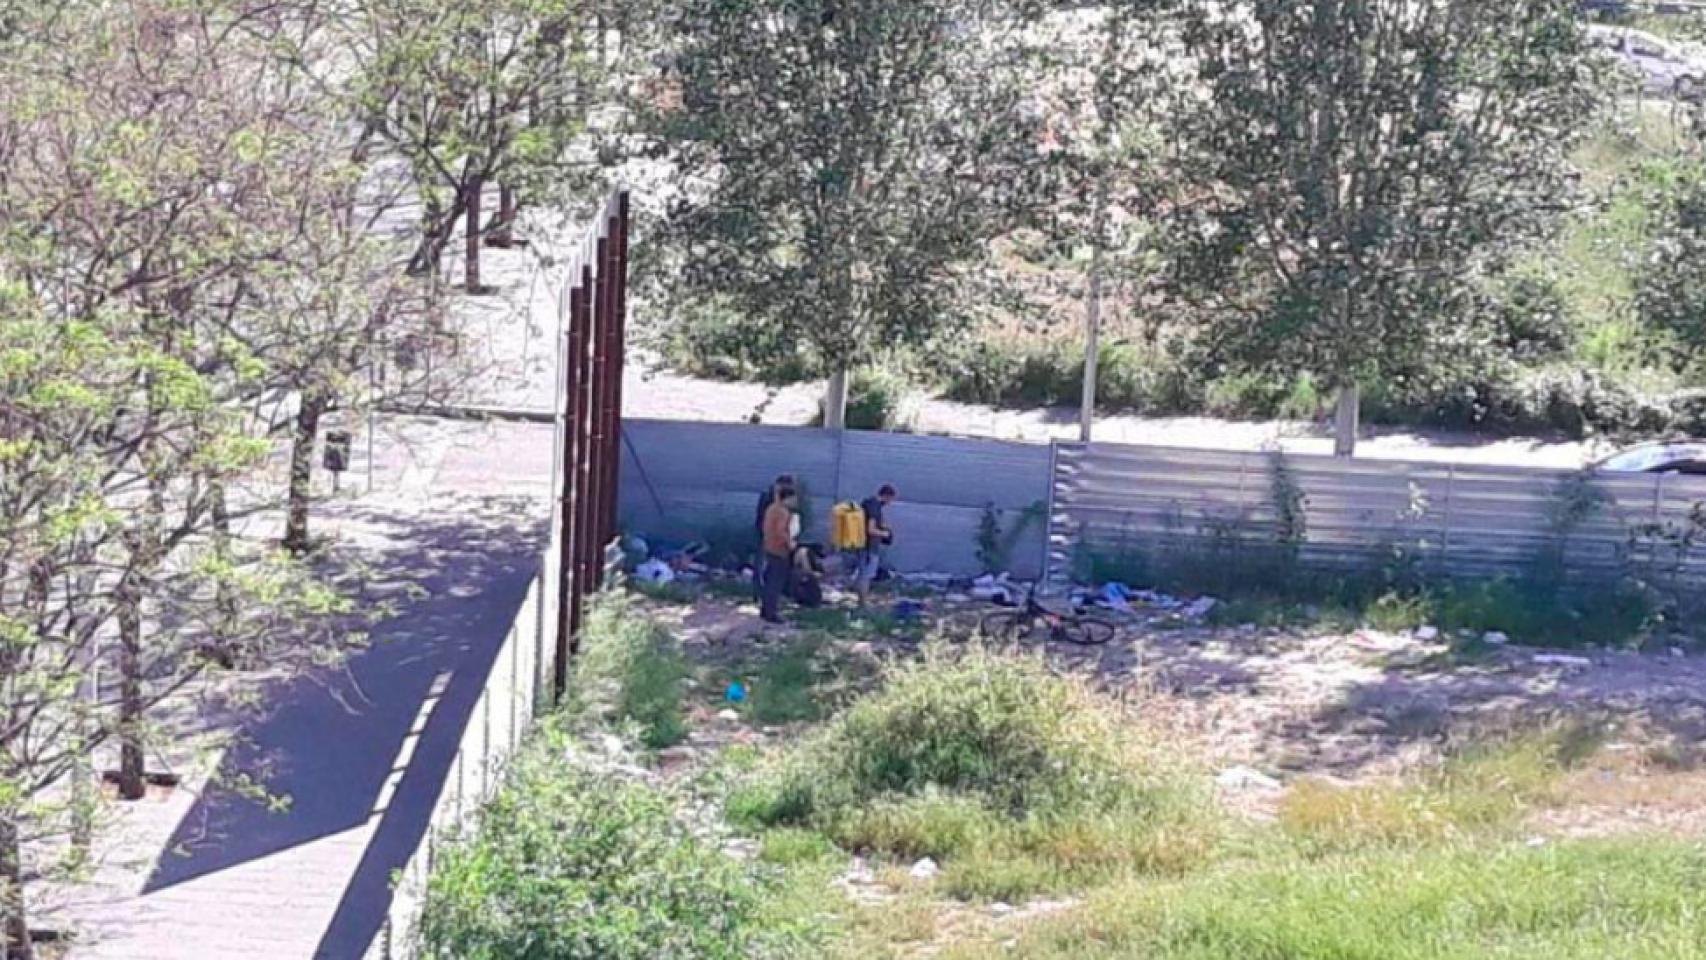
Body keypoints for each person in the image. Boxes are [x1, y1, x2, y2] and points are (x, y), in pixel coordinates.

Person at [754, 473, 796, 600]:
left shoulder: (784, 502)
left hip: (778, 539)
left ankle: (769, 595)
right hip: (767, 535)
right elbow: (762, 516)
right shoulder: (769, 498)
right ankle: (759, 593)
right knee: (764, 566)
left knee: (773, 571)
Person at [761, 485, 798, 624]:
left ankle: (765, 609)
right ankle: (771, 612)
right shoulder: (783, 512)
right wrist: (790, 543)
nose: (795, 502)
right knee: (775, 582)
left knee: (770, 579)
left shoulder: (771, 508)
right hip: (779, 549)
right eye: (793, 498)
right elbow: (781, 531)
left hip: (769, 547)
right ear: (787, 498)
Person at [856, 484, 898, 606]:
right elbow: (871, 530)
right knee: (866, 576)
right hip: (869, 547)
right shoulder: (874, 507)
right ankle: (863, 604)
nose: (890, 503)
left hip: (862, 545)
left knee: (863, 574)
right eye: (890, 500)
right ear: (886, 496)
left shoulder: (868, 503)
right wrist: (884, 534)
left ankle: (861, 601)